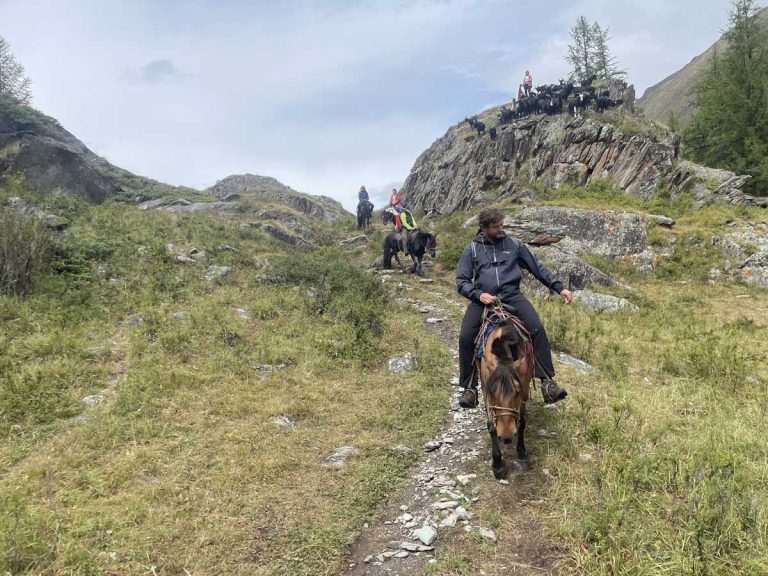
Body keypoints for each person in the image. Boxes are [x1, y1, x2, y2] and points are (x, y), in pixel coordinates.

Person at [455, 207, 572, 409]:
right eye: (496, 226)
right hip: (483, 299)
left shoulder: (515, 245)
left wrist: (559, 287)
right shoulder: (471, 249)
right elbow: (462, 281)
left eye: (502, 225)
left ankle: (547, 382)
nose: (501, 229)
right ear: (483, 228)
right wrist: (478, 294)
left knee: (537, 328)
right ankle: (470, 388)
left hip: (512, 296)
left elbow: (538, 268)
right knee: (466, 337)